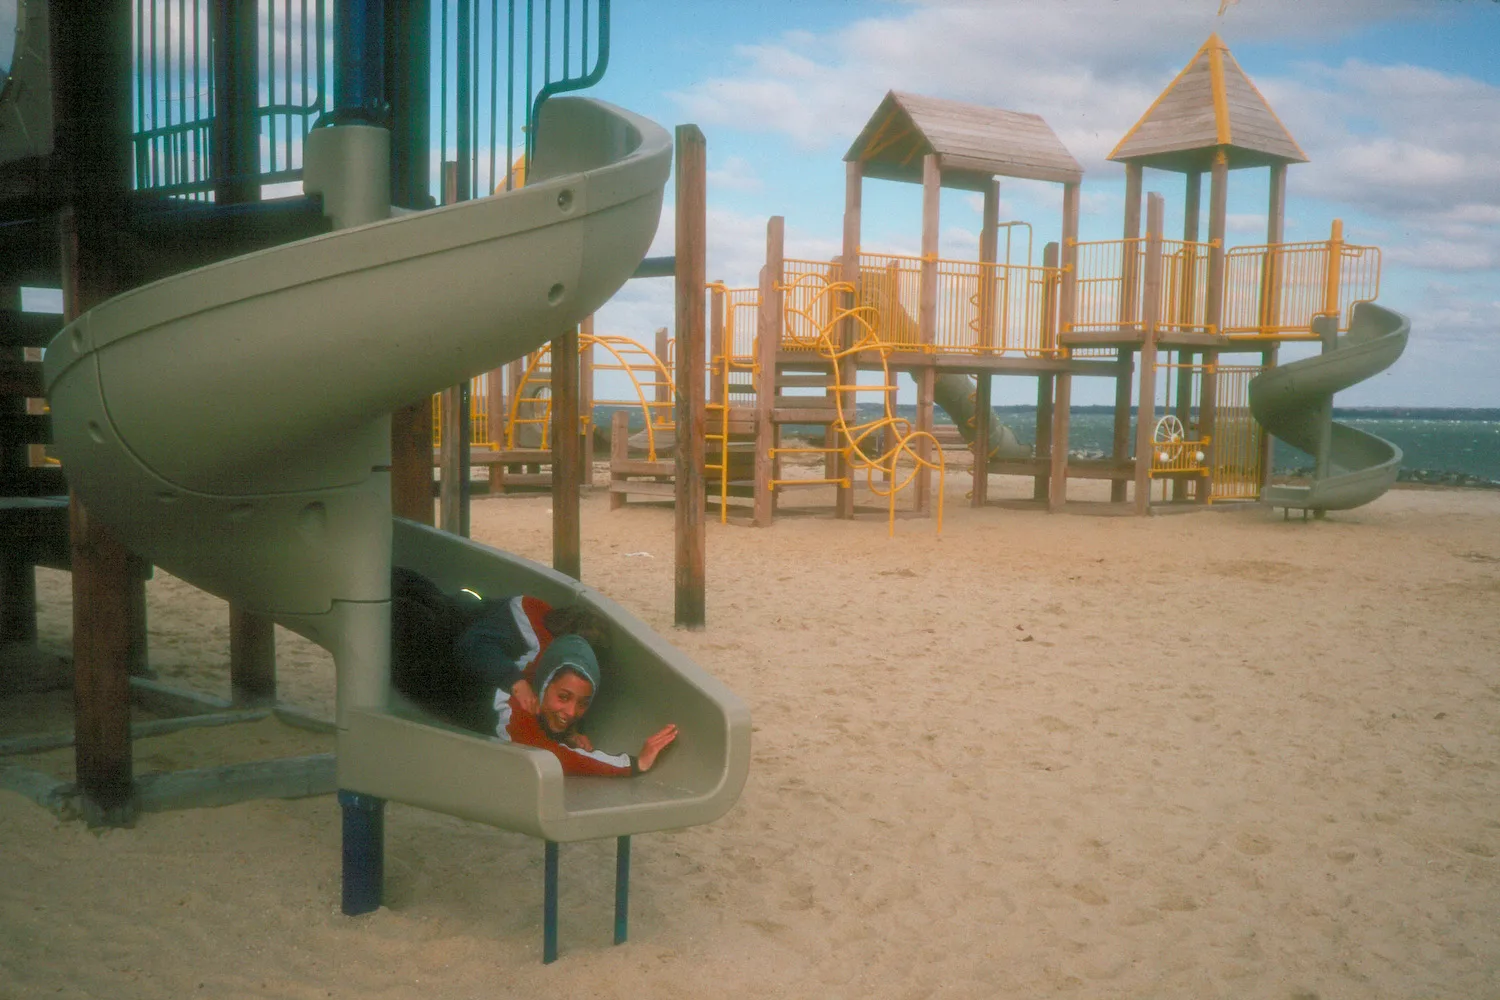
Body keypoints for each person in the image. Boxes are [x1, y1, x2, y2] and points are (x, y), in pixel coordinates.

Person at [389, 567, 677, 776]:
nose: (572, 707)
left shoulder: (541, 681)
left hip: (438, 648)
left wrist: (570, 732)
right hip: (435, 641)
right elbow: (472, 646)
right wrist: (515, 681)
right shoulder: (530, 631)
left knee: (419, 602)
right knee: (414, 600)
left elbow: (560, 696)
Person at [498, 633, 678, 777]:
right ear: (543, 685)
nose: (571, 712)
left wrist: (573, 731)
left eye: (583, 703)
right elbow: (555, 757)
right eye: (563, 697)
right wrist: (635, 763)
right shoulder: (515, 707)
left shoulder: (546, 697)